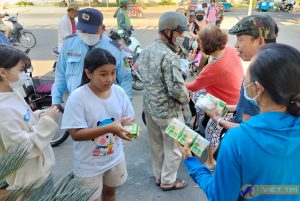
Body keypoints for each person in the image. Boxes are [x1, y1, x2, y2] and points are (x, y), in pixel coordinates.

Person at [180, 43, 300, 201]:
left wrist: (192, 162)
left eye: (247, 77)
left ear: (257, 88)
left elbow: (221, 196)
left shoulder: (237, 140)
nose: (244, 83)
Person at [62, 48, 134, 201]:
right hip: (89, 165)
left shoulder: (119, 92)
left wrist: (129, 126)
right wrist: (110, 127)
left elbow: (128, 119)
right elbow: (75, 134)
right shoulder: (78, 98)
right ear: (88, 73)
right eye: (103, 74)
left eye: (113, 73)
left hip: (115, 157)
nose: (109, 79)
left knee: (110, 193)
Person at [137, 11, 190, 191]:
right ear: (168, 31)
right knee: (174, 148)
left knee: (156, 145)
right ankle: (168, 181)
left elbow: (141, 74)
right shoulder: (169, 56)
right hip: (169, 112)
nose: (181, 36)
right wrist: (187, 97)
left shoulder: (148, 49)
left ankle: (159, 176)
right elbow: (177, 89)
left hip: (150, 109)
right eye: (179, 32)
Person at [0, 46, 60, 189]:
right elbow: (22, 149)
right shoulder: (3, 109)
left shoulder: (12, 92)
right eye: (21, 70)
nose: (25, 74)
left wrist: (39, 115)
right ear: (3, 72)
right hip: (30, 182)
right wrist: (48, 121)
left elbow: (24, 121)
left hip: (38, 174)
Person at [185, 25, 244, 170]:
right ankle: (199, 123)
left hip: (228, 103)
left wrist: (179, 82)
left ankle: (211, 161)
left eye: (200, 41)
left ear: (206, 45)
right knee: (199, 95)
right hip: (237, 93)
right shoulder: (230, 50)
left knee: (212, 129)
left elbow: (192, 86)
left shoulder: (214, 68)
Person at [206, 15, 279, 130]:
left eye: (240, 40)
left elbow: (248, 130)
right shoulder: (278, 66)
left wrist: (218, 120)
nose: (235, 45)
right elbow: (254, 107)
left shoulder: (259, 77)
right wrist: (228, 107)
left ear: (259, 41)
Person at [51, 8, 132, 106]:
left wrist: (126, 107)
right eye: (83, 30)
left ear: (102, 28)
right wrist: (55, 100)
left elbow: (125, 79)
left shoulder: (115, 49)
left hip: (106, 105)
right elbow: (60, 73)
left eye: (92, 31)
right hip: (77, 103)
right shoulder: (69, 44)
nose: (87, 34)